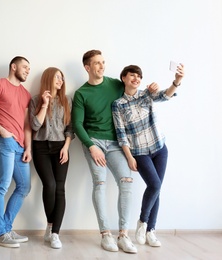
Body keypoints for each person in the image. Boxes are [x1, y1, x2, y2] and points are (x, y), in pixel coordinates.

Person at [72, 50, 139, 254]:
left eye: (103, 62)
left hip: (116, 143)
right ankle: (105, 234)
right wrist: (91, 146)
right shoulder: (81, 93)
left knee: (126, 182)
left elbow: (134, 92)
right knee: (100, 183)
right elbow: (77, 124)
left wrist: (155, 88)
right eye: (97, 63)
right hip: (94, 142)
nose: (102, 66)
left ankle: (124, 235)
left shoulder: (115, 85)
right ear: (87, 67)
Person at [112, 64, 185, 248]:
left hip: (160, 148)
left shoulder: (147, 93)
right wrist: (129, 157)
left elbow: (165, 95)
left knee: (156, 189)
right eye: (132, 75)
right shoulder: (118, 105)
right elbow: (121, 135)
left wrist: (177, 81)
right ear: (124, 78)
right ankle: (143, 222)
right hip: (140, 152)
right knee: (155, 184)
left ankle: (149, 229)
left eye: (139, 76)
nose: (136, 79)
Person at [0, 56, 32, 248]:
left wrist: (28, 147)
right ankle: (0, 233)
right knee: (2, 186)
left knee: (24, 187)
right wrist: (3, 131)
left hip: (19, 145)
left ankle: (7, 228)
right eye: (25, 67)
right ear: (13, 66)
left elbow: (27, 125)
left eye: (29, 68)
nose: (27, 70)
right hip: (4, 141)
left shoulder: (26, 94)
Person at [28, 67, 74, 249]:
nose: (60, 81)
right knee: (50, 185)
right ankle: (50, 225)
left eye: (62, 78)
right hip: (40, 147)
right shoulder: (35, 100)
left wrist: (66, 147)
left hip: (61, 147)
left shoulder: (66, 101)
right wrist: (45, 104)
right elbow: (34, 125)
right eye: (57, 77)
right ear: (48, 78)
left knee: (60, 188)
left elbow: (70, 128)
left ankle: (55, 233)